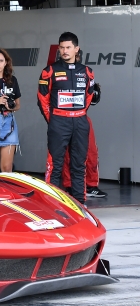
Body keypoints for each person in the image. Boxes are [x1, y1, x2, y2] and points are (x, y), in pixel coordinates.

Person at [38, 32, 96, 204]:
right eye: (62, 47)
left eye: (68, 47)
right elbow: (42, 99)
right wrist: (54, 119)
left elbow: (88, 97)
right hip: (58, 121)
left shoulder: (87, 72)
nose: (65, 51)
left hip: (80, 121)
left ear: (76, 49)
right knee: (55, 165)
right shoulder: (49, 71)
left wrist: (78, 114)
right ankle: (51, 204)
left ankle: (79, 204)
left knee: (79, 165)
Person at [61, 51, 106, 198]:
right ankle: (69, 186)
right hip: (64, 118)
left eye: (77, 56)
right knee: (68, 154)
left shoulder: (85, 73)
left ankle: (91, 185)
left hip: (82, 117)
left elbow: (93, 99)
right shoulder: (56, 73)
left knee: (91, 152)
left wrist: (94, 91)